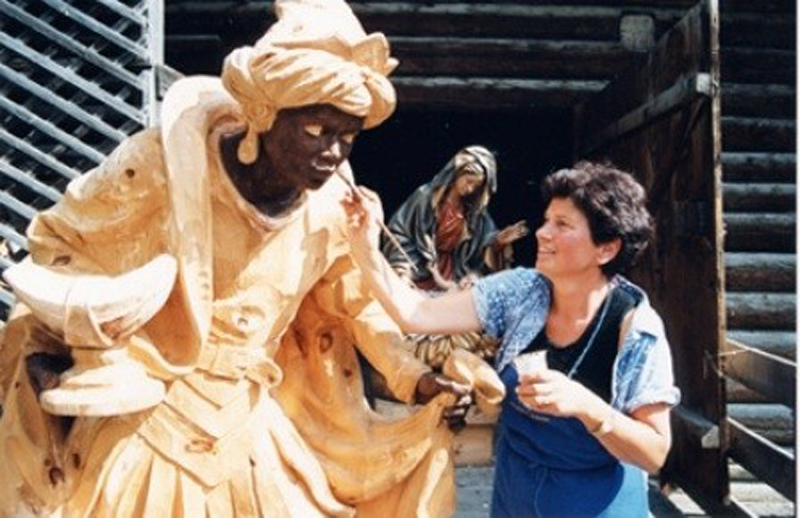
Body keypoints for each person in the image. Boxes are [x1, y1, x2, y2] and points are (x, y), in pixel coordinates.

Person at [0, 1, 497, 516]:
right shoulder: (161, 167)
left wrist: (412, 377)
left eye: (346, 138)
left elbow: (357, 304)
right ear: (264, 112)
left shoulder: (331, 210)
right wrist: (57, 337)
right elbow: (63, 246)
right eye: (315, 131)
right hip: (146, 415)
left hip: (247, 423)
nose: (332, 152)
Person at [342, 161, 681, 517]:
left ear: (606, 249)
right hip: (517, 495)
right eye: (547, 220)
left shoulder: (636, 329)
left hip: (595, 502)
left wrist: (587, 406)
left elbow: (654, 452)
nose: (542, 233)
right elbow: (417, 314)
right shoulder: (521, 291)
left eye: (562, 224)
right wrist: (364, 243)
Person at [381, 145, 528, 368]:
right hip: (418, 269)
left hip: (453, 273)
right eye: (468, 181)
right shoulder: (425, 198)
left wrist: (498, 242)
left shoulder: (474, 214)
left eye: (476, 186)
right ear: (456, 174)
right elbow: (399, 233)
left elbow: (481, 250)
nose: (470, 189)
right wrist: (403, 270)